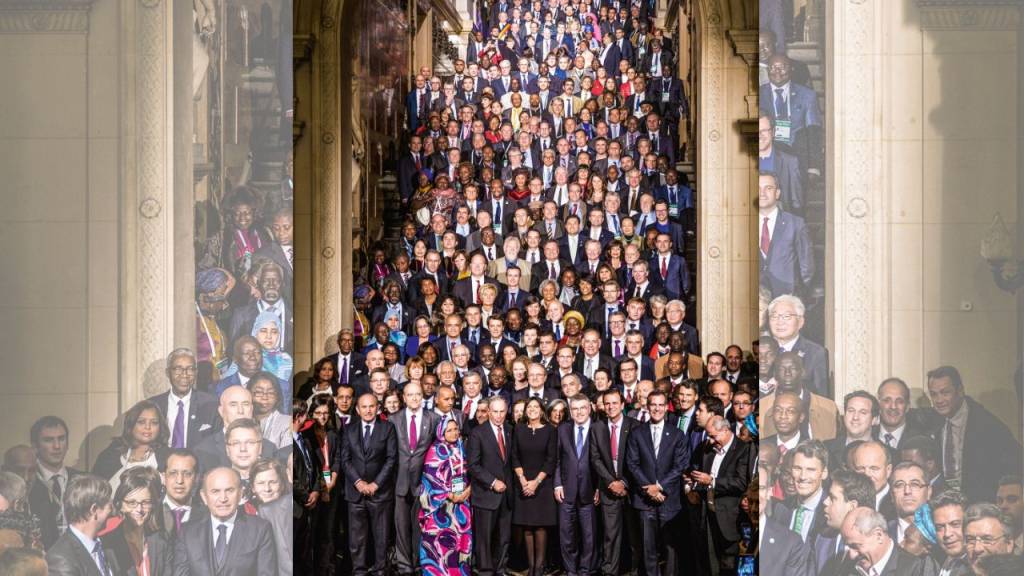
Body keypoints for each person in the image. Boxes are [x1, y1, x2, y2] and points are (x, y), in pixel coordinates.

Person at [925, 365, 1022, 504]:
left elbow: (1013, 467)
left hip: (981, 507)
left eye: (945, 392)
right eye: (934, 394)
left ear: (960, 391)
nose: (939, 400)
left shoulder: (989, 426)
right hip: (947, 506)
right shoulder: (933, 420)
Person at [626, 390, 689, 576]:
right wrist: (649, 489)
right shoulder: (637, 433)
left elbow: (680, 466)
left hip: (669, 500)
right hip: (644, 501)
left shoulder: (677, 434)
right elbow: (632, 464)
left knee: (670, 549)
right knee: (648, 548)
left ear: (667, 407)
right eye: (653, 404)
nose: (657, 408)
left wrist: (659, 486)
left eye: (661, 405)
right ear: (647, 406)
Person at [172, 467, 277, 575]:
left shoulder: (260, 529)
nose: (223, 498)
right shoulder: (188, 532)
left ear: (241, 493)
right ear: (204, 497)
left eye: (229, 490)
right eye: (215, 491)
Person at [339, 393, 398, 576]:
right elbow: (345, 459)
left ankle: (381, 571)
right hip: (355, 493)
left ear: (378, 408)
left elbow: (391, 459)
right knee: (357, 539)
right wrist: (358, 482)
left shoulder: (387, 428)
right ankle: (359, 571)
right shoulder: (349, 429)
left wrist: (375, 484)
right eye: (364, 407)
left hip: (380, 494)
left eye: (371, 406)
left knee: (381, 538)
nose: (368, 410)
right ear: (357, 409)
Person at [589, 388, 642, 575]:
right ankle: (609, 571)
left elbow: (637, 460)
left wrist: (625, 483)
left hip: (632, 489)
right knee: (610, 535)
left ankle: (635, 571)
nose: (611, 407)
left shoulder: (635, 426)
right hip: (608, 489)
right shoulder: (597, 428)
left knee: (634, 535)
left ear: (622, 404)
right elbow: (595, 458)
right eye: (607, 403)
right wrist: (611, 482)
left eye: (614, 403)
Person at [391, 382, 440, 576]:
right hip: (400, 482)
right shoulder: (393, 420)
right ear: (403, 397)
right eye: (410, 395)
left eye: (417, 394)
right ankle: (404, 567)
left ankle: (420, 564)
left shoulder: (434, 419)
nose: (414, 398)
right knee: (401, 527)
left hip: (423, 483)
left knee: (421, 527)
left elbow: (437, 451)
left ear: (423, 397)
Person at [418, 417, 474, 575]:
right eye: (449, 430)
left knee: (460, 541)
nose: (454, 433)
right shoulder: (434, 450)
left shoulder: (462, 447)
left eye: (456, 429)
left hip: (462, 503)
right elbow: (430, 480)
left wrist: (467, 492)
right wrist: (449, 495)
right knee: (440, 544)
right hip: (441, 507)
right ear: (441, 432)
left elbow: (471, 472)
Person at [466, 395, 514, 576]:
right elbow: (473, 465)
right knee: (484, 538)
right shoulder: (478, 433)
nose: (499, 415)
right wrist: (493, 482)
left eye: (502, 411)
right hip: (486, 494)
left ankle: (500, 569)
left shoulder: (510, 430)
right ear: (488, 412)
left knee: (504, 536)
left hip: (507, 495)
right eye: (495, 411)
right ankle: (485, 570)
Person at [509, 397, 557, 576]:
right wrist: (522, 480)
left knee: (541, 527)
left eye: (536, 406)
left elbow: (551, 459)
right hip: (523, 483)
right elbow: (514, 456)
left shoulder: (551, 430)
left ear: (542, 410)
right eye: (530, 407)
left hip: (542, 484)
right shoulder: (519, 429)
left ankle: (539, 567)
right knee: (527, 526)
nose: (533, 409)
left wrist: (536, 482)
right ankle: (531, 567)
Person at [554, 394, 597, 576]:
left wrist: (599, 488)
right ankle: (571, 570)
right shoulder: (563, 429)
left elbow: (604, 462)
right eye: (575, 408)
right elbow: (556, 460)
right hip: (566, 491)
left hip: (589, 490)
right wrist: (557, 484)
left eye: (582, 408)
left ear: (589, 409)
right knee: (567, 535)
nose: (579, 412)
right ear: (570, 411)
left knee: (589, 536)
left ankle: (585, 570)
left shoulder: (598, 428)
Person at [102, 467, 173, 576]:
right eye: (132, 503)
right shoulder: (108, 545)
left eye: (145, 502)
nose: (139, 509)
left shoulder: (161, 541)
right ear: (120, 505)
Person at [45, 474, 119, 575]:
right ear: (94, 509)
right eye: (110, 506)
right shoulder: (61, 559)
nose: (113, 512)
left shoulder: (106, 548)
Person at [147, 348, 219, 450]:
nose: (184, 375)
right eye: (178, 369)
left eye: (190, 369)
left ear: (196, 372)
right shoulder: (153, 405)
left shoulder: (212, 404)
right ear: (168, 373)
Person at [28, 415, 82, 548]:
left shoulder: (82, 480)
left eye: (61, 439)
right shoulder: (27, 482)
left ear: (68, 443)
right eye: (48, 440)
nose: (57, 446)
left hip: (78, 558)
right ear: (35, 446)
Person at [92, 400, 168, 489]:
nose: (148, 427)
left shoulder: (167, 458)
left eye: (154, 423)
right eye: (141, 422)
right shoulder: (110, 455)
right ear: (131, 424)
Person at [841, 507, 927, 576]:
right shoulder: (848, 567)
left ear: (879, 535)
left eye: (855, 546)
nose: (851, 555)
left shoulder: (914, 569)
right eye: (849, 547)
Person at [251, 458, 293, 576]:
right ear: (253, 487)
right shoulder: (244, 514)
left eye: (273, 482)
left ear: (282, 484)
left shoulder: (291, 507)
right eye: (260, 483)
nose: (267, 489)